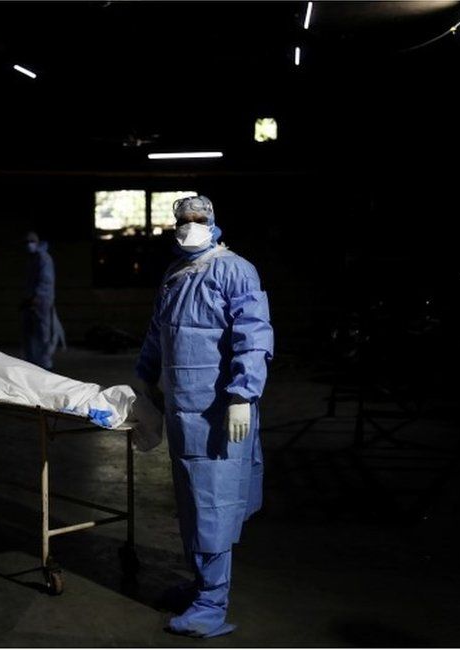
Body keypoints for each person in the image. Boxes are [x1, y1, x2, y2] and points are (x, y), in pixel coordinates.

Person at [136, 195, 273, 638]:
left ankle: (212, 603)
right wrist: (145, 378)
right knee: (192, 503)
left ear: (213, 222)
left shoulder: (235, 269)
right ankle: (200, 584)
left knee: (214, 505)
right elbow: (160, 331)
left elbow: (254, 336)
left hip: (218, 413)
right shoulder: (176, 273)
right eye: (182, 220)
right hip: (182, 411)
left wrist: (242, 394)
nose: (189, 226)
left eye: (198, 219)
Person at [22, 231, 65, 370]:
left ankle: (45, 365)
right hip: (32, 303)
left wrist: (36, 298)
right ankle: (33, 364)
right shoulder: (32, 259)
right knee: (30, 335)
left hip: (42, 304)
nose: (29, 245)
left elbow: (46, 282)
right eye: (26, 242)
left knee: (43, 335)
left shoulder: (43, 258)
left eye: (31, 241)